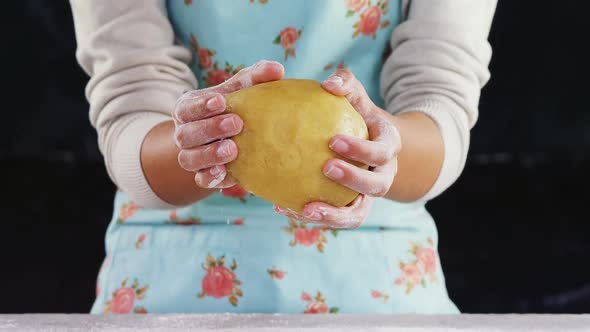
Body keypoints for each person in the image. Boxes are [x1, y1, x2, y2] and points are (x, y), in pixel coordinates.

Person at [70, 0, 496, 314]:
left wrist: (383, 153)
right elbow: (131, 107)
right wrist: (198, 140)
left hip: (381, 271)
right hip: (167, 270)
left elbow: (441, 104)